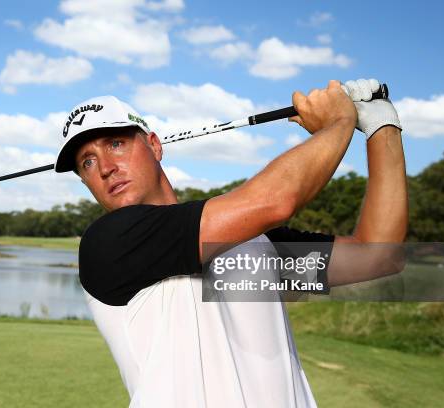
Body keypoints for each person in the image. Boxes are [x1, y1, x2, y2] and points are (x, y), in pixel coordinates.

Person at [54, 79, 407, 407]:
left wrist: (382, 127)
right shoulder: (109, 243)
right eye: (87, 162)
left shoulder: (255, 244)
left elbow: (378, 255)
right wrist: (339, 121)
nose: (105, 168)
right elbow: (277, 200)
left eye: (115, 144)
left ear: (154, 146)